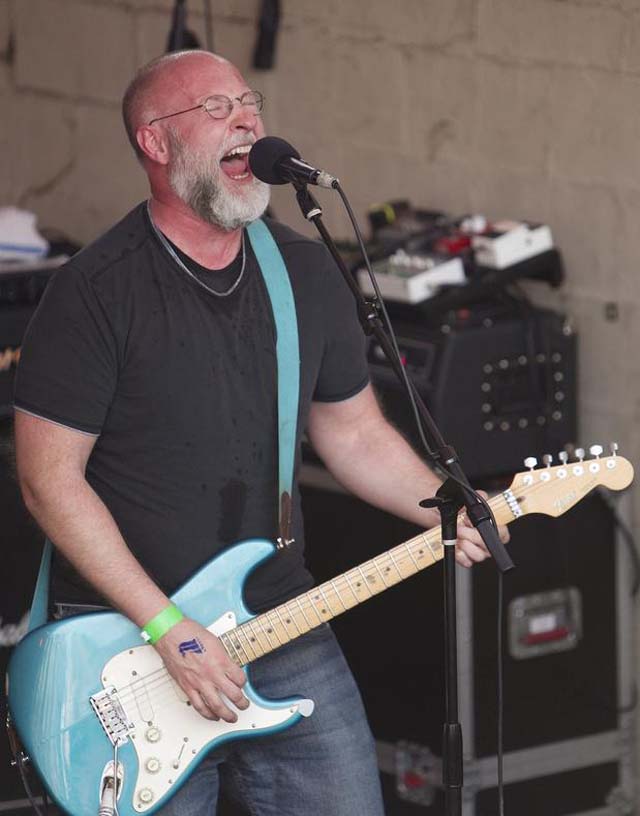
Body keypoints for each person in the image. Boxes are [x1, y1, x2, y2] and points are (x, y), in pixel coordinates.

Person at [13, 50, 508, 815]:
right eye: (215, 109)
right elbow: (49, 482)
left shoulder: (304, 273)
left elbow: (353, 433)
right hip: (129, 641)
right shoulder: (95, 293)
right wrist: (171, 629)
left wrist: (447, 507)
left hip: (278, 619)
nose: (246, 119)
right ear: (155, 142)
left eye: (249, 103)